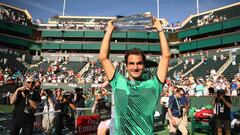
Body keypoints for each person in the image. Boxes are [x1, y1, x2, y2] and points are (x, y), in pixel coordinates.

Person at [98, 17, 170, 134]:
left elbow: (166, 56)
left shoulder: (154, 84)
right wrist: (110, 30)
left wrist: (160, 30)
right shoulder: (118, 82)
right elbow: (103, 57)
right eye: (131, 63)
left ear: (144, 65)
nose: (135, 67)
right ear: (126, 66)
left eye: (139, 63)